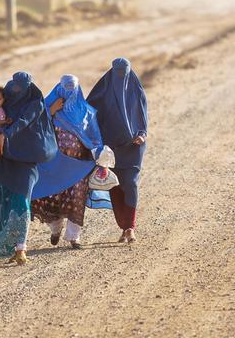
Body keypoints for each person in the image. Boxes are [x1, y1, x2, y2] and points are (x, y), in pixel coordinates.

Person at [0, 72, 57, 265]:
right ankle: (11, 246)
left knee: (21, 202)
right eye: (13, 88)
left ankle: (21, 247)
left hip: (26, 161)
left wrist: (4, 135)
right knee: (4, 203)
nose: (17, 92)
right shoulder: (5, 102)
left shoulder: (35, 104)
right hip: (3, 160)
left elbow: (23, 121)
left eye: (20, 88)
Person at [31, 75, 105, 249]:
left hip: (79, 166)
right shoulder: (46, 108)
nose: (68, 93)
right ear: (59, 88)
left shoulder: (87, 112)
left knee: (76, 198)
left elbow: (95, 137)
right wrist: (50, 111)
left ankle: (74, 237)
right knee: (50, 197)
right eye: (66, 89)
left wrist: (100, 155)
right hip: (53, 165)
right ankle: (55, 228)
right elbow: (34, 127)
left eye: (72, 90)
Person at [87, 58, 148, 243]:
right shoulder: (102, 91)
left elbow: (142, 117)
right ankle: (123, 226)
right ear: (112, 71)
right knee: (114, 187)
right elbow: (89, 114)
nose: (121, 76)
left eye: (124, 72)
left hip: (133, 147)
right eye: (118, 72)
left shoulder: (136, 91)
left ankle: (130, 227)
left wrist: (142, 134)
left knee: (130, 183)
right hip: (109, 149)